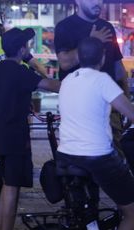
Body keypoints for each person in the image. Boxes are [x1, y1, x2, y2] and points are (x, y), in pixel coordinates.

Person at [0, 28, 60, 230]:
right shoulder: (20, 72)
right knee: (12, 187)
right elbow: (52, 86)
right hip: (14, 137)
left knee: (7, 183)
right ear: (22, 49)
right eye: (27, 45)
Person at [57, 37, 134, 230]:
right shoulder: (102, 80)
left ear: (79, 57)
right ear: (102, 58)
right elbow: (129, 112)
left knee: (90, 210)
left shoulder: (68, 80)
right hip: (96, 157)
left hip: (66, 155)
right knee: (132, 212)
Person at [55, 0, 129, 158]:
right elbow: (65, 63)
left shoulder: (107, 27)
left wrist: (125, 101)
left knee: (115, 154)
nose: (97, 3)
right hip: (78, 108)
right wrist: (90, 40)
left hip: (110, 108)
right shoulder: (65, 27)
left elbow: (118, 69)